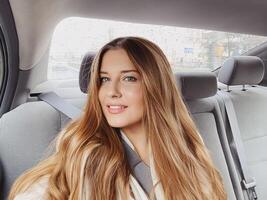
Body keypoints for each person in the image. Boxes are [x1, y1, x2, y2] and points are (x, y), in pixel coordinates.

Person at [9, 37, 227, 200]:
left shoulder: (188, 148)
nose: (111, 91)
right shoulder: (86, 150)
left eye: (128, 78)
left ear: (156, 86)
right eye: (104, 79)